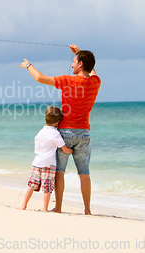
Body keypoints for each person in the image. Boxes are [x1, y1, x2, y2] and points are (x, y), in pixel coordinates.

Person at [20, 45, 101, 215]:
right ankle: (87, 210)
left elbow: (40, 78)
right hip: (84, 133)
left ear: (80, 64)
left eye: (74, 62)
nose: (71, 65)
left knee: (59, 172)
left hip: (65, 133)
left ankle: (58, 207)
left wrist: (28, 65)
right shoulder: (96, 81)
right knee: (84, 173)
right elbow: (91, 71)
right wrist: (79, 53)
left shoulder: (68, 80)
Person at [17, 106, 73, 211]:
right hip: (49, 164)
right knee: (47, 188)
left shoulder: (41, 132)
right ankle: (44, 208)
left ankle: (24, 205)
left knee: (32, 184)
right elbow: (65, 149)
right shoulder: (55, 133)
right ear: (58, 122)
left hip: (37, 162)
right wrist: (72, 151)